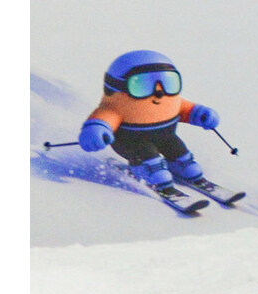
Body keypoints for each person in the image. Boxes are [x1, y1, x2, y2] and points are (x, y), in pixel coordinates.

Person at [78, 50, 232, 207]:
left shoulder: (171, 100)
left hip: (166, 137)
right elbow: (105, 118)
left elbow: (186, 109)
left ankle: (180, 164)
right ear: (117, 88)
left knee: (179, 151)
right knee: (151, 161)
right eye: (141, 84)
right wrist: (96, 130)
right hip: (132, 143)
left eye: (169, 82)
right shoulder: (117, 107)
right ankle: (150, 170)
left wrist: (200, 114)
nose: (159, 92)